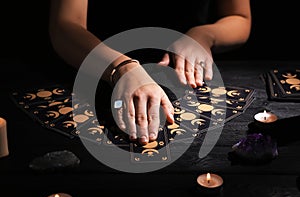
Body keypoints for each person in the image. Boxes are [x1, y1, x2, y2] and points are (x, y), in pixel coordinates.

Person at [48, 0, 252, 145]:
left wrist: (204, 35)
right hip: (93, 69)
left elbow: (239, 17)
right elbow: (65, 25)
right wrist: (120, 67)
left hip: (184, 78)